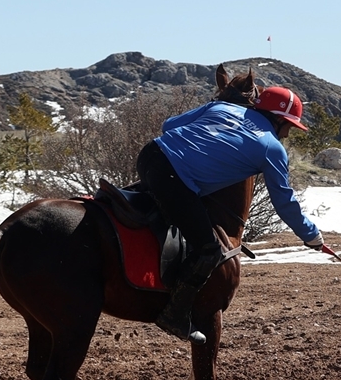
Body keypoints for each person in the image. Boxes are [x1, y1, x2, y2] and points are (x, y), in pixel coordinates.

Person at [136, 86, 324, 343]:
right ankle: (174, 314)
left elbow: (169, 126)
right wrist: (310, 235)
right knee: (209, 250)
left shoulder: (221, 107)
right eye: (289, 126)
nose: (288, 134)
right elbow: (284, 202)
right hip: (172, 178)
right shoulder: (271, 147)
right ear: (279, 119)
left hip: (149, 156)